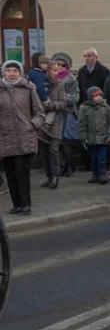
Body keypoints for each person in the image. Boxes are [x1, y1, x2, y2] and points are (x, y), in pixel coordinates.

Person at [0, 60, 44, 215]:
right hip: (6, 139)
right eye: (8, 70)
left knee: (22, 173)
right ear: (4, 72)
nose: (11, 73)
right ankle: (16, 204)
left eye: (15, 70)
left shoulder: (28, 88)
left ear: (20, 73)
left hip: (25, 137)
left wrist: (32, 125)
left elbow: (39, 112)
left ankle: (26, 204)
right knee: (10, 175)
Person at [40, 56, 76, 189]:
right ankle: (48, 176)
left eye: (57, 70)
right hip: (42, 120)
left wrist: (51, 105)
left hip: (56, 120)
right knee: (43, 151)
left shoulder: (60, 85)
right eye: (54, 70)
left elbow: (63, 104)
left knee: (53, 149)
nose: (57, 72)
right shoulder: (42, 85)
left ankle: (55, 177)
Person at [50, 52, 80, 178]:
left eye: (63, 65)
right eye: (58, 65)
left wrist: (62, 98)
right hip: (54, 112)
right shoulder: (51, 78)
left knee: (65, 141)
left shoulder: (71, 79)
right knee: (56, 141)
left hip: (67, 112)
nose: (60, 67)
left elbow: (76, 96)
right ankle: (62, 165)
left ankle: (68, 165)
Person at [78, 87, 110, 185]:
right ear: (91, 97)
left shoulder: (106, 108)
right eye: (96, 96)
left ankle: (102, 174)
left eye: (100, 95)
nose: (99, 98)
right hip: (91, 139)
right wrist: (83, 138)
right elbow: (82, 124)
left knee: (102, 157)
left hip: (104, 138)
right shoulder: (84, 108)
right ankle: (95, 175)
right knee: (93, 158)